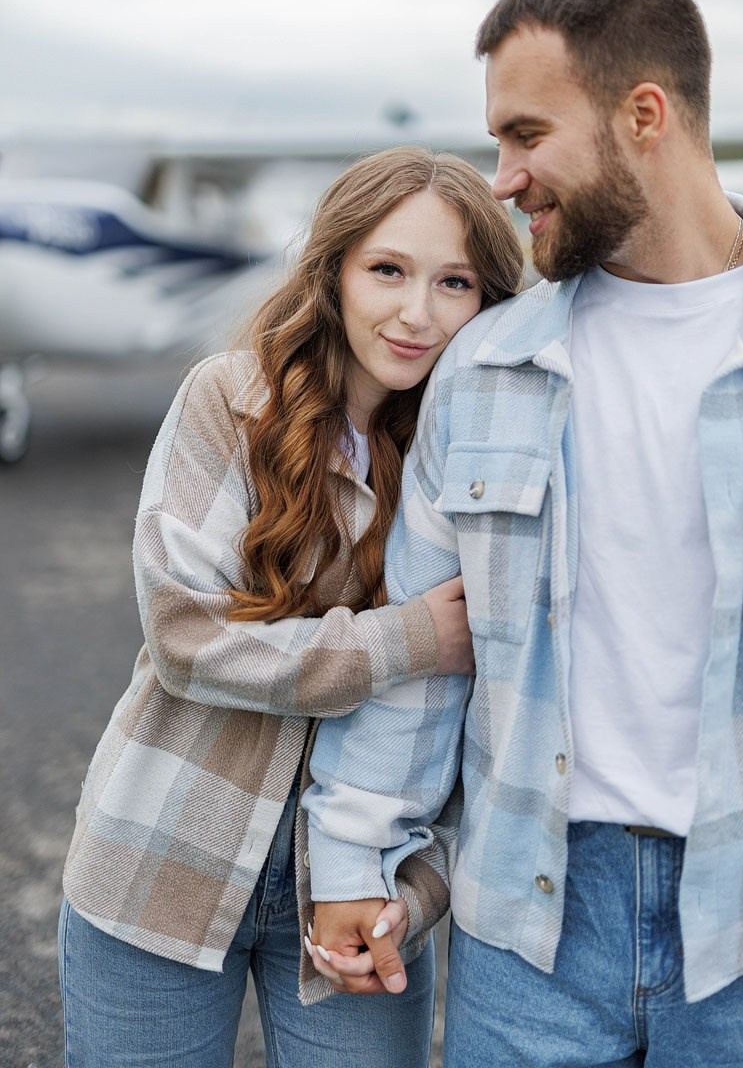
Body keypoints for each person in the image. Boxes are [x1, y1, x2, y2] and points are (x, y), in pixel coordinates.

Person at [303, 0, 743, 1066]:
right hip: (526, 936)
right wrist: (350, 863)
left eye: (526, 135)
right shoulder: (484, 367)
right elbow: (426, 652)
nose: (503, 177)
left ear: (642, 115)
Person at [57, 145, 523, 1068]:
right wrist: (409, 638)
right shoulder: (230, 401)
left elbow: (488, 720)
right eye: (387, 269)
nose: (416, 313)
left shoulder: (475, 461)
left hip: (356, 896)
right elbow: (190, 639)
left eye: (456, 282)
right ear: (334, 269)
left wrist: (415, 898)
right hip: (160, 860)